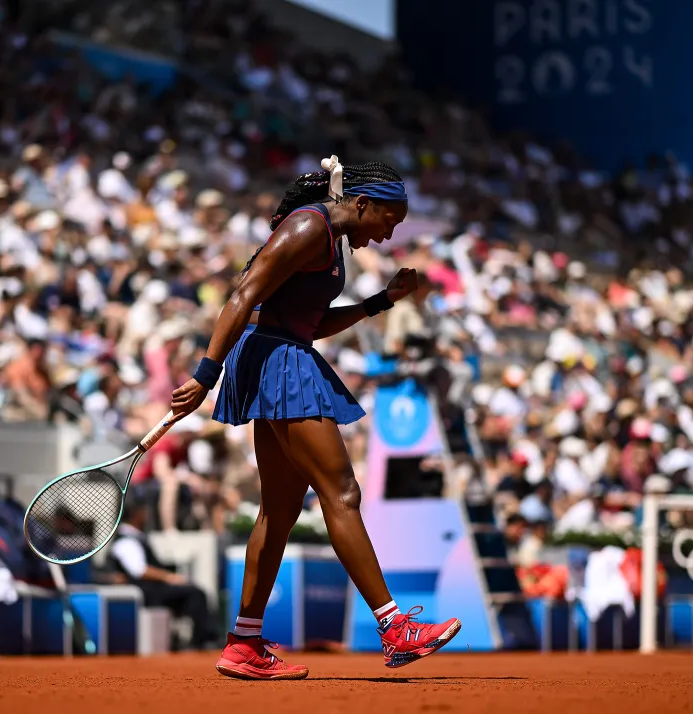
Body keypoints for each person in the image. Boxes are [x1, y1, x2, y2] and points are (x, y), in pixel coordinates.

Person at [170, 157, 461, 680]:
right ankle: (395, 628)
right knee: (342, 493)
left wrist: (380, 302)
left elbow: (312, 322)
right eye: (389, 220)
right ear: (362, 203)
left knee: (279, 512)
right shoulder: (310, 226)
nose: (391, 231)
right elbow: (244, 295)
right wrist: (205, 373)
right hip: (278, 361)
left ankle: (243, 643)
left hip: (284, 352)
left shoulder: (329, 241)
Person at [107, 499, 216, 650]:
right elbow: (139, 570)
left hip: (151, 589)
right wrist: (169, 577)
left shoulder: (135, 537)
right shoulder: (126, 540)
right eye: (143, 511)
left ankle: (196, 638)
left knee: (192, 593)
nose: (146, 515)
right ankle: (203, 639)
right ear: (135, 515)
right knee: (196, 593)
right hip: (145, 591)